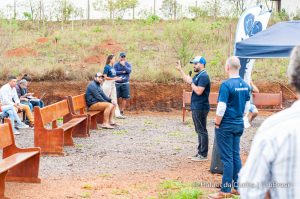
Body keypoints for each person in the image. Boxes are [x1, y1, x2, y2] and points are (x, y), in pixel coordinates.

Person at [239, 46, 300, 198]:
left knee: (255, 111)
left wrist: (251, 83)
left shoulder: (274, 128)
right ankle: (246, 122)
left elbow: (251, 192)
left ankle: (247, 122)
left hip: (250, 105)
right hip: (245, 105)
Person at [208, 56, 250, 199]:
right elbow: (247, 107)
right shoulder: (246, 85)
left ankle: (225, 190)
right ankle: (238, 187)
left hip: (226, 125)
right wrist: (239, 117)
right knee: (235, 155)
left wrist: (217, 123)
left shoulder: (226, 85)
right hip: (239, 124)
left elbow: (221, 107)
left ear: (227, 68)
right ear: (238, 67)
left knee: (227, 158)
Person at [176, 56, 210, 161]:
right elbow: (188, 79)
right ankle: (200, 152)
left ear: (202, 64)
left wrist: (192, 83)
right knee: (199, 130)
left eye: (196, 63)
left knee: (202, 130)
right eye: (193, 64)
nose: (194, 65)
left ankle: (203, 155)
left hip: (201, 106)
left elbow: (199, 91)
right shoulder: (198, 75)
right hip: (197, 106)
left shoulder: (204, 76)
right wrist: (180, 70)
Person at [102, 54, 124, 119]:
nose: (114, 60)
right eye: (114, 59)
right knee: (106, 98)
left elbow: (113, 76)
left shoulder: (112, 67)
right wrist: (114, 79)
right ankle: (103, 113)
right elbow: (105, 77)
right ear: (110, 59)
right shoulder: (107, 67)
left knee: (114, 98)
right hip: (107, 84)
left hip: (113, 84)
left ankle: (117, 114)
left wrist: (117, 78)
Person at [114, 52, 132, 117]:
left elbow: (129, 71)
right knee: (116, 97)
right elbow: (114, 72)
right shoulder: (116, 65)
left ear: (125, 57)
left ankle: (122, 111)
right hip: (117, 83)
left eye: (124, 57)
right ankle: (117, 110)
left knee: (125, 98)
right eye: (121, 57)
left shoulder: (128, 64)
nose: (123, 58)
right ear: (119, 57)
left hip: (125, 83)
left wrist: (124, 66)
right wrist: (122, 72)